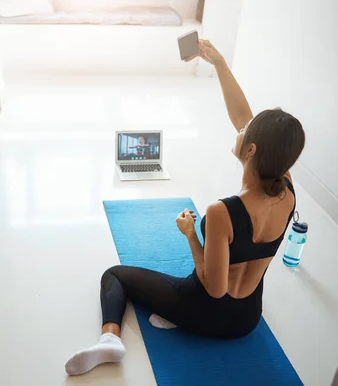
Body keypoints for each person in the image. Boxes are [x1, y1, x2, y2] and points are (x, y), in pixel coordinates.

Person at [64, 40, 306, 376]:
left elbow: (215, 287)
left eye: (246, 132)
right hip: (247, 319)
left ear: (250, 150)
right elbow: (242, 117)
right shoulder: (287, 186)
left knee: (115, 276)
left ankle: (110, 340)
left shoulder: (223, 212)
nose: (240, 128)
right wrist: (219, 63)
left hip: (206, 312)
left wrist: (191, 234)